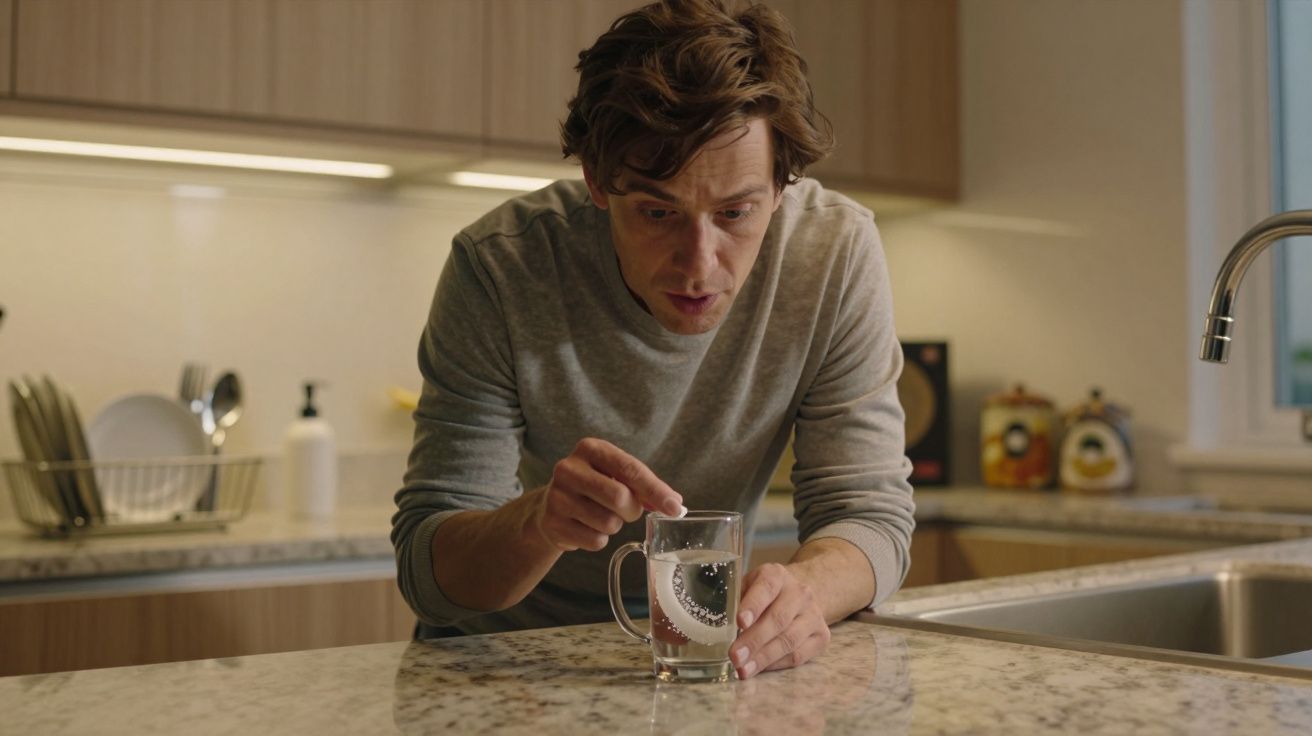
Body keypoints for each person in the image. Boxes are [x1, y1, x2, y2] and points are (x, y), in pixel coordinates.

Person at [391, 0, 914, 680]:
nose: (699, 263)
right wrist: (539, 521)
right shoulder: (500, 267)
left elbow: (870, 515)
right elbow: (426, 572)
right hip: (502, 671)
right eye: (658, 211)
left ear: (783, 186)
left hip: (702, 660)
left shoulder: (834, 254)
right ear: (597, 183)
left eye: (735, 213)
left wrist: (805, 590)